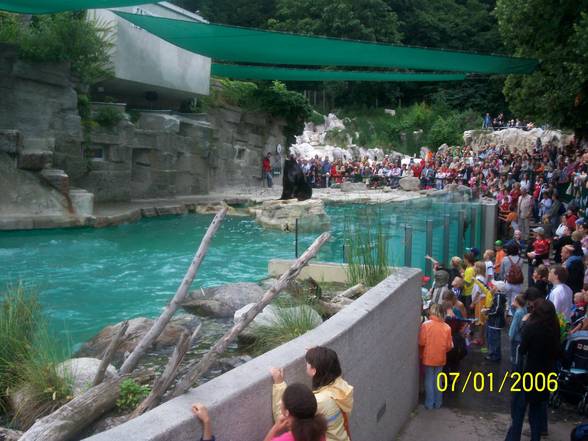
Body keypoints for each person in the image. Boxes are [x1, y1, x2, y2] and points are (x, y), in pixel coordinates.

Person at [504, 299, 561, 441]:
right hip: (545, 374)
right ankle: (535, 437)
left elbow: (522, 349)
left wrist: (524, 323)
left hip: (528, 373)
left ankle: (513, 437)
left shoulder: (531, 327)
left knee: (519, 410)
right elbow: (557, 353)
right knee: (536, 411)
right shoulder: (554, 329)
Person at [271, 347, 353, 441]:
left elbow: (286, 416)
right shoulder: (340, 387)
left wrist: (279, 384)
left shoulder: (318, 401)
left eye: (308, 363)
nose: (306, 364)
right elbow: (329, 363)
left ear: (314, 370)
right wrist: (319, 354)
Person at [419, 303, 453, 410]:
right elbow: (448, 346)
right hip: (440, 358)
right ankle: (438, 403)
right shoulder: (447, 327)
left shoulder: (426, 325)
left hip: (428, 357)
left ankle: (429, 403)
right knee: (438, 380)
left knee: (429, 380)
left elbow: (421, 342)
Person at [483, 281, 507, 362]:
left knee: (494, 339)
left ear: (498, 289)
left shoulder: (498, 296)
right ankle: (494, 354)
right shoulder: (498, 296)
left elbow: (497, 309)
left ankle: (494, 355)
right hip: (494, 321)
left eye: (493, 286)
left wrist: (487, 312)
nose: (491, 287)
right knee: (493, 338)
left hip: (495, 322)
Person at [508, 294, 527, 369]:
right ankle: (519, 370)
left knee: (515, 356)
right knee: (520, 356)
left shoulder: (518, 313)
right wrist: (512, 307)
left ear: (517, 302)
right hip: (521, 337)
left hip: (516, 338)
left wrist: (511, 336)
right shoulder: (523, 309)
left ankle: (515, 372)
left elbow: (514, 327)